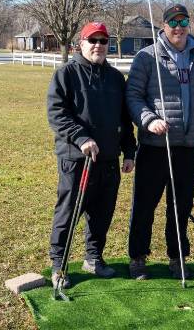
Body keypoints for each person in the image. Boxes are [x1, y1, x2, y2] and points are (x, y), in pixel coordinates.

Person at [126, 4, 194, 280]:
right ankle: (138, 257)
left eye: (183, 21)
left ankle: (177, 258)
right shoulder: (147, 57)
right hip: (155, 146)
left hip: (188, 148)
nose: (178, 27)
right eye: (172, 22)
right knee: (144, 206)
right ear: (163, 26)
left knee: (181, 206)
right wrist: (149, 119)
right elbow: (133, 97)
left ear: (189, 24)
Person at [47, 21, 136, 288]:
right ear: (81, 43)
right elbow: (57, 113)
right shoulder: (66, 74)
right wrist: (81, 137)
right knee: (69, 212)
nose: (98, 45)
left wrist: (129, 151)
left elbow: (125, 118)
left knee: (102, 212)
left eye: (103, 41)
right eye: (92, 40)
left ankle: (93, 257)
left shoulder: (115, 77)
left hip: (108, 159)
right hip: (77, 159)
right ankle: (59, 264)